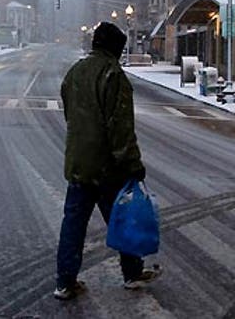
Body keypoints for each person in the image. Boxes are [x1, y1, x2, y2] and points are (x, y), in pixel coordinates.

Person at [54, 21, 159, 301]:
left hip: (78, 163)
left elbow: (69, 112)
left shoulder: (75, 72)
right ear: (115, 48)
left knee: (73, 225)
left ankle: (65, 281)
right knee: (123, 219)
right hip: (107, 168)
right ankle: (132, 273)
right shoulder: (114, 75)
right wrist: (133, 165)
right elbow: (121, 127)